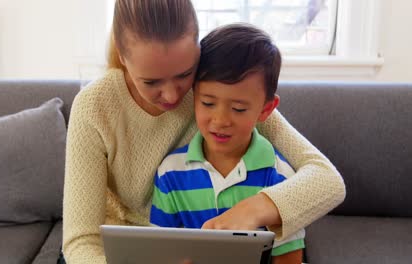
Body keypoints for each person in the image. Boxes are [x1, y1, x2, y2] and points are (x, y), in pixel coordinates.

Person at [62, 0, 346, 263]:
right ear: (122, 56)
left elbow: (327, 180)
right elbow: (81, 241)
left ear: (197, 51)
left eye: (184, 74)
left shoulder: (214, 91)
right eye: (151, 82)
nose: (173, 95)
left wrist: (253, 209)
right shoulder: (93, 107)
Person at [150, 23, 305, 263]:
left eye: (238, 108)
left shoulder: (281, 178)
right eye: (208, 103)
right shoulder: (170, 173)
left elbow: (289, 258)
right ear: (193, 96)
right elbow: (159, 251)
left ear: (266, 110)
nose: (221, 120)